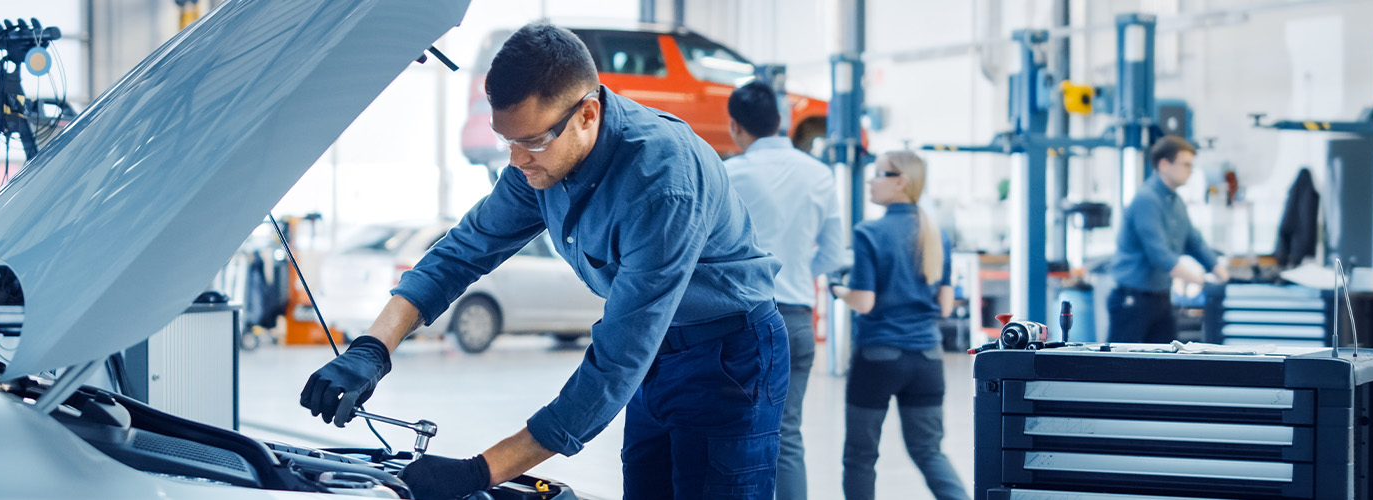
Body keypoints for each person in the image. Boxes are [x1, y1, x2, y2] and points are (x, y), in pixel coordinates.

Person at [297, 23, 788, 500]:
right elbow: (463, 251)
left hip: (729, 358)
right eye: (506, 141)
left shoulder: (662, 182)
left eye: (530, 141)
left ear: (588, 115)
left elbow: (615, 363)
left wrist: (479, 472)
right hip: (659, 355)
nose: (516, 160)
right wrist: (372, 348)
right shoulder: (540, 158)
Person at [720, 81, 845, 500]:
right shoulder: (820, 174)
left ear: (735, 126)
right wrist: (795, 273)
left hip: (740, 323)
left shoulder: (729, 174)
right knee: (787, 433)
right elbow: (832, 254)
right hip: (795, 320)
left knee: (732, 431)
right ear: (782, 121)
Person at [829, 151, 967, 500]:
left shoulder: (869, 232)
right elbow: (946, 306)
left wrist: (836, 288)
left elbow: (864, 302)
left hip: (879, 357)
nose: (871, 181)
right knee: (929, 451)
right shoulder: (937, 235)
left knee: (860, 456)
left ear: (901, 181)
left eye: (878, 174)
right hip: (927, 359)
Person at [1108, 135, 1227, 344]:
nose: (1190, 170)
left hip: (1160, 298)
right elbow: (1159, 254)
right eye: (1186, 164)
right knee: (1120, 368)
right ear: (1164, 164)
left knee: (1165, 365)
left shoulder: (1175, 201)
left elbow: (1193, 240)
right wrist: (1198, 278)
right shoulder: (1147, 200)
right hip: (1133, 301)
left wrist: (1217, 268)